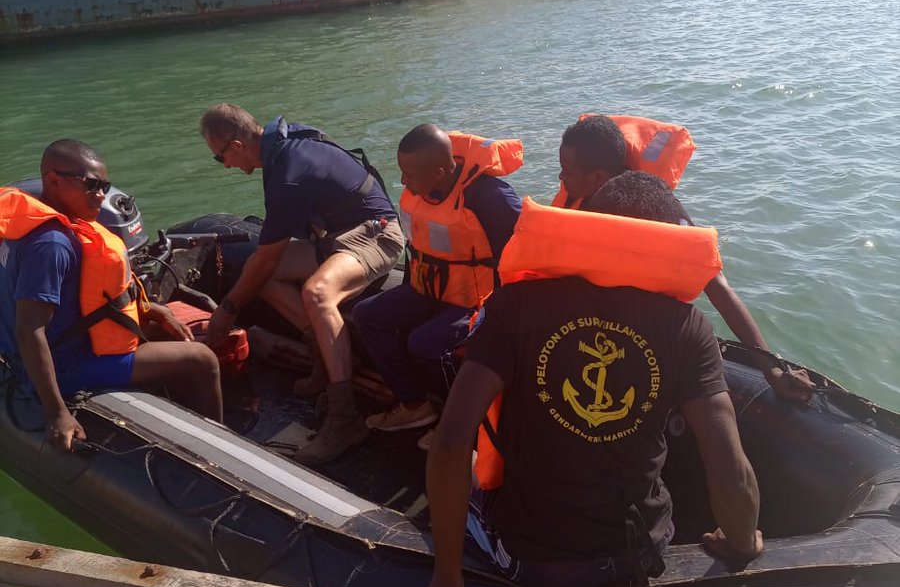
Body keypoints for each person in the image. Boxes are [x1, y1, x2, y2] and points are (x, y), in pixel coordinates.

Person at [404, 172, 762, 587]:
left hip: (527, 558)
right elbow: (731, 471)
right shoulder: (688, 327)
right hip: (632, 561)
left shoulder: (515, 305)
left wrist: (446, 580)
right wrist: (742, 541)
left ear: (588, 224)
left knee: (466, 468)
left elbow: (449, 443)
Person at [553, 114, 816, 402]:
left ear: (598, 178)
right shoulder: (576, 201)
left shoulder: (653, 206)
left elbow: (716, 284)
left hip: (646, 333)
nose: (561, 179)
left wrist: (773, 370)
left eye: (567, 171)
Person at [199, 104, 404, 464]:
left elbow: (267, 255)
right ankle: (328, 357)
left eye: (220, 158)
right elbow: (266, 265)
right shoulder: (283, 144)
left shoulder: (288, 172)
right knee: (263, 277)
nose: (226, 166)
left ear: (235, 145)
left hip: (377, 235)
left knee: (317, 293)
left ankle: (345, 419)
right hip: (339, 236)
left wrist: (227, 310)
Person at [0, 140, 222, 452]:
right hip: (69, 367)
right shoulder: (51, 245)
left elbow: (75, 297)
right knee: (203, 359)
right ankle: (216, 448)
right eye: (91, 185)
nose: (101, 196)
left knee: (165, 329)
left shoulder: (25, 226)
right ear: (52, 180)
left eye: (105, 185)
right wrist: (57, 413)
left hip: (54, 344)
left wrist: (149, 308)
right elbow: (30, 329)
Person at [353, 124, 523, 449]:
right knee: (367, 315)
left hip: (476, 300)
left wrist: (505, 318)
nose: (403, 182)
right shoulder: (422, 191)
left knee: (426, 343)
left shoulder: (489, 197)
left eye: (410, 175)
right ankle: (414, 406)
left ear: (441, 171)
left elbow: (524, 254)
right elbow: (414, 249)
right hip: (429, 289)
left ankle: (465, 424)